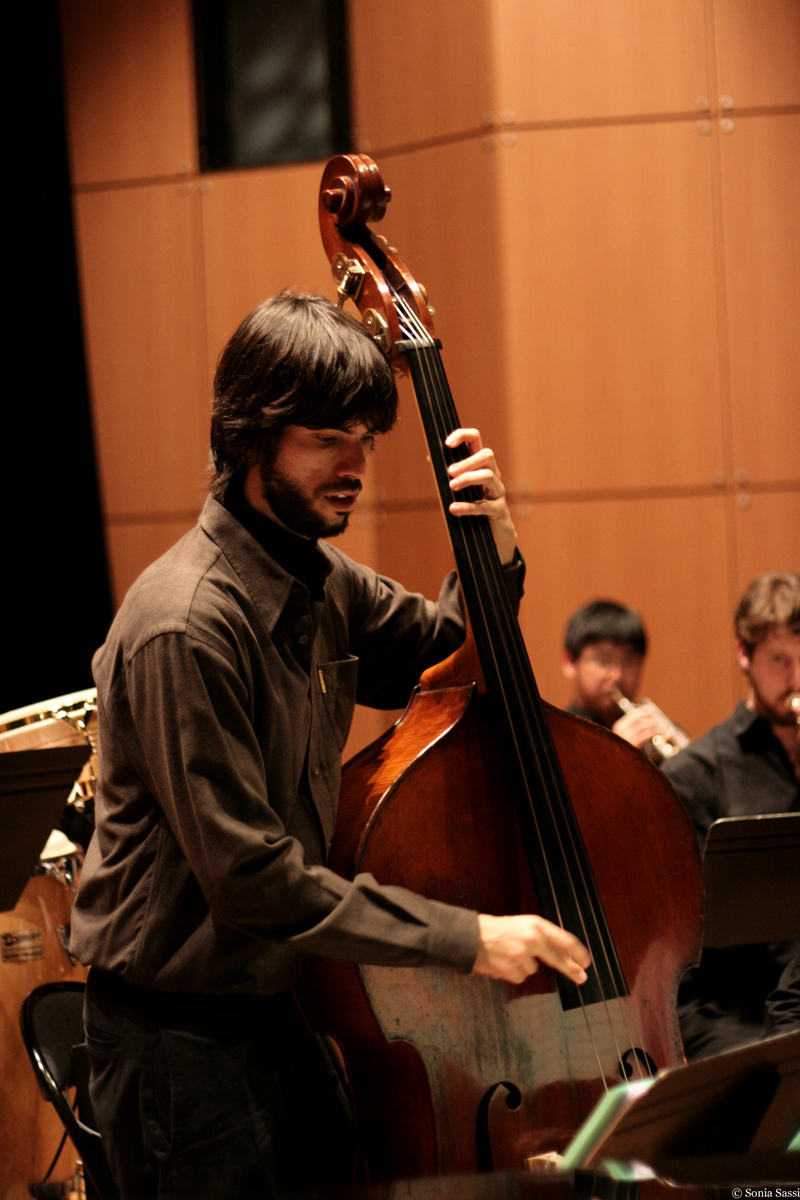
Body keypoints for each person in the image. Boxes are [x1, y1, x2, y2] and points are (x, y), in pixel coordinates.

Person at [70, 292, 590, 1199]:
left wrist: (494, 551)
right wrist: (466, 938)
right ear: (248, 438)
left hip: (282, 1017)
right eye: (325, 438)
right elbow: (253, 878)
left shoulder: (318, 577)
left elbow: (447, 659)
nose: (355, 466)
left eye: (368, 439)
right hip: (175, 1047)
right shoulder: (185, 625)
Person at [662, 571, 800, 1059]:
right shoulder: (697, 774)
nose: (797, 680)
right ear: (744, 654)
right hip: (735, 1008)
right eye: (780, 660)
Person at [561, 599, 668, 752]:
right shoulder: (556, 737)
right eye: (603, 662)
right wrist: (616, 752)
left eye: (629, 662)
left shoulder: (656, 734)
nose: (617, 675)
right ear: (570, 662)